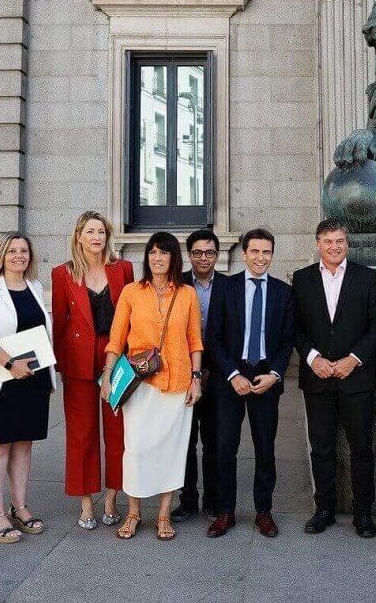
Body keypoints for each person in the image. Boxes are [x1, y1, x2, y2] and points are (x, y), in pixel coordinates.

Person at [102, 232, 203, 541]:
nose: (157, 258)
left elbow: (194, 340)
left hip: (178, 384)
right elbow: (116, 339)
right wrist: (107, 376)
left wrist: (196, 379)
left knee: (171, 451)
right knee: (136, 449)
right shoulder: (131, 292)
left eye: (164, 253)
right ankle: (133, 512)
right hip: (140, 384)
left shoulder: (187, 294)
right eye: (153, 252)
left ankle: (163, 514)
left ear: (174, 258)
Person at [292, 219, 376, 538]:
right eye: (328, 241)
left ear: (347, 243)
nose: (334, 247)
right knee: (321, 449)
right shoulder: (302, 279)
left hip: (356, 379)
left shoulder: (368, 278)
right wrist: (312, 358)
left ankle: (363, 513)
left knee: (362, 449)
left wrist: (353, 359)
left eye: (339, 241)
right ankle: (324, 510)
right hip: (317, 379)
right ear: (318, 243)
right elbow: (294, 327)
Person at [205, 229, 295, 539]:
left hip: (266, 376)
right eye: (254, 251)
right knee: (225, 448)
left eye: (266, 252)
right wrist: (233, 374)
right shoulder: (225, 288)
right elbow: (213, 338)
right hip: (232, 376)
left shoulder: (284, 292)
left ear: (272, 255)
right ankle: (225, 512)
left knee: (265, 448)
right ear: (244, 254)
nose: (260, 257)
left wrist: (276, 374)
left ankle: (264, 512)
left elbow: (287, 341)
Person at [0, 233, 56, 544]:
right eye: (12, 251)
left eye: (24, 250)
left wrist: (47, 377)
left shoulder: (34, 287)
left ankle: (20, 506)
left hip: (31, 379)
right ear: (1, 256)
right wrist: (10, 364)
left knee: (23, 443)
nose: (19, 255)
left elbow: (42, 333)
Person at [51, 211, 134, 530]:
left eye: (101, 231)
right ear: (79, 237)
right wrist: (60, 366)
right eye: (90, 231)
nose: (96, 237)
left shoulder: (122, 269)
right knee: (81, 433)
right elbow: (60, 322)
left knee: (118, 431)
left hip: (117, 357)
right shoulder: (63, 273)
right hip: (78, 361)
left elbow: (132, 315)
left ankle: (112, 496)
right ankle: (86, 501)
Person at [172, 229, 227, 522]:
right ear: (189, 254)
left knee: (214, 440)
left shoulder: (229, 286)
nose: (203, 258)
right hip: (183, 373)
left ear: (217, 255)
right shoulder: (176, 283)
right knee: (185, 441)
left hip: (218, 374)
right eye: (197, 253)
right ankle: (188, 500)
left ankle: (213, 500)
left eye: (209, 252)